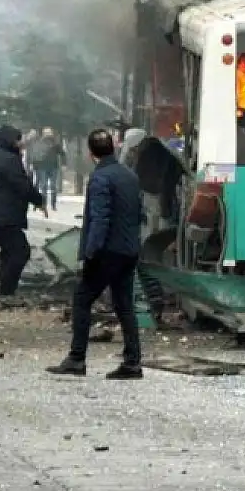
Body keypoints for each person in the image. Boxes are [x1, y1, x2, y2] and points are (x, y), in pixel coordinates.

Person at [46, 130, 144, 379]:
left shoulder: (100, 178)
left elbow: (100, 219)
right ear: (113, 147)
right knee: (124, 305)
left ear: (91, 154)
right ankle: (132, 363)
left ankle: (76, 359)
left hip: (106, 252)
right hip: (129, 250)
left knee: (82, 299)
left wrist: (90, 252)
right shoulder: (130, 176)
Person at [0, 125, 47, 305]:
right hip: (4, 216)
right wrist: (39, 200)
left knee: (9, 252)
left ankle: (5, 289)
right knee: (21, 251)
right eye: (17, 140)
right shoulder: (9, 159)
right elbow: (22, 185)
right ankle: (6, 291)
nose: (21, 143)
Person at [35, 128, 66, 211]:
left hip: (53, 167)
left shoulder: (55, 143)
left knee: (53, 186)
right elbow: (36, 154)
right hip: (42, 167)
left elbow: (62, 153)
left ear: (52, 133)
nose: (48, 134)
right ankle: (44, 204)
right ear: (43, 134)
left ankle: (53, 204)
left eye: (49, 132)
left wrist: (64, 164)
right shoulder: (40, 143)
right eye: (46, 133)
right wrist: (35, 166)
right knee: (44, 186)